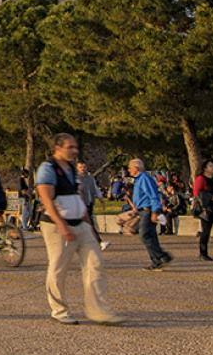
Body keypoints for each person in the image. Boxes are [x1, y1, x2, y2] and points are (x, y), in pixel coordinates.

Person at [36, 133, 122, 325]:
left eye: (75, 147)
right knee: (59, 268)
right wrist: (61, 225)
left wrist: (88, 225)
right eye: (70, 147)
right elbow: (47, 199)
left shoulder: (72, 170)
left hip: (80, 223)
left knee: (95, 264)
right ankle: (59, 310)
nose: (75, 151)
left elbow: (77, 197)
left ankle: (98, 310)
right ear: (58, 148)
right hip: (57, 225)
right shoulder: (48, 168)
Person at [129, 159, 173, 271]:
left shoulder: (144, 179)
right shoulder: (139, 179)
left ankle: (163, 256)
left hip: (147, 210)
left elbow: (153, 196)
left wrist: (154, 212)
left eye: (130, 167)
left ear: (136, 168)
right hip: (142, 210)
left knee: (144, 235)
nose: (129, 170)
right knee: (151, 236)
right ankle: (156, 262)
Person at [77, 163, 109, 251]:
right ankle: (99, 242)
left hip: (89, 202)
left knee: (85, 224)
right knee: (89, 223)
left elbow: (95, 189)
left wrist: (101, 201)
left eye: (84, 166)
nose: (83, 168)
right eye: (80, 167)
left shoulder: (90, 178)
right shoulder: (77, 178)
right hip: (81, 203)